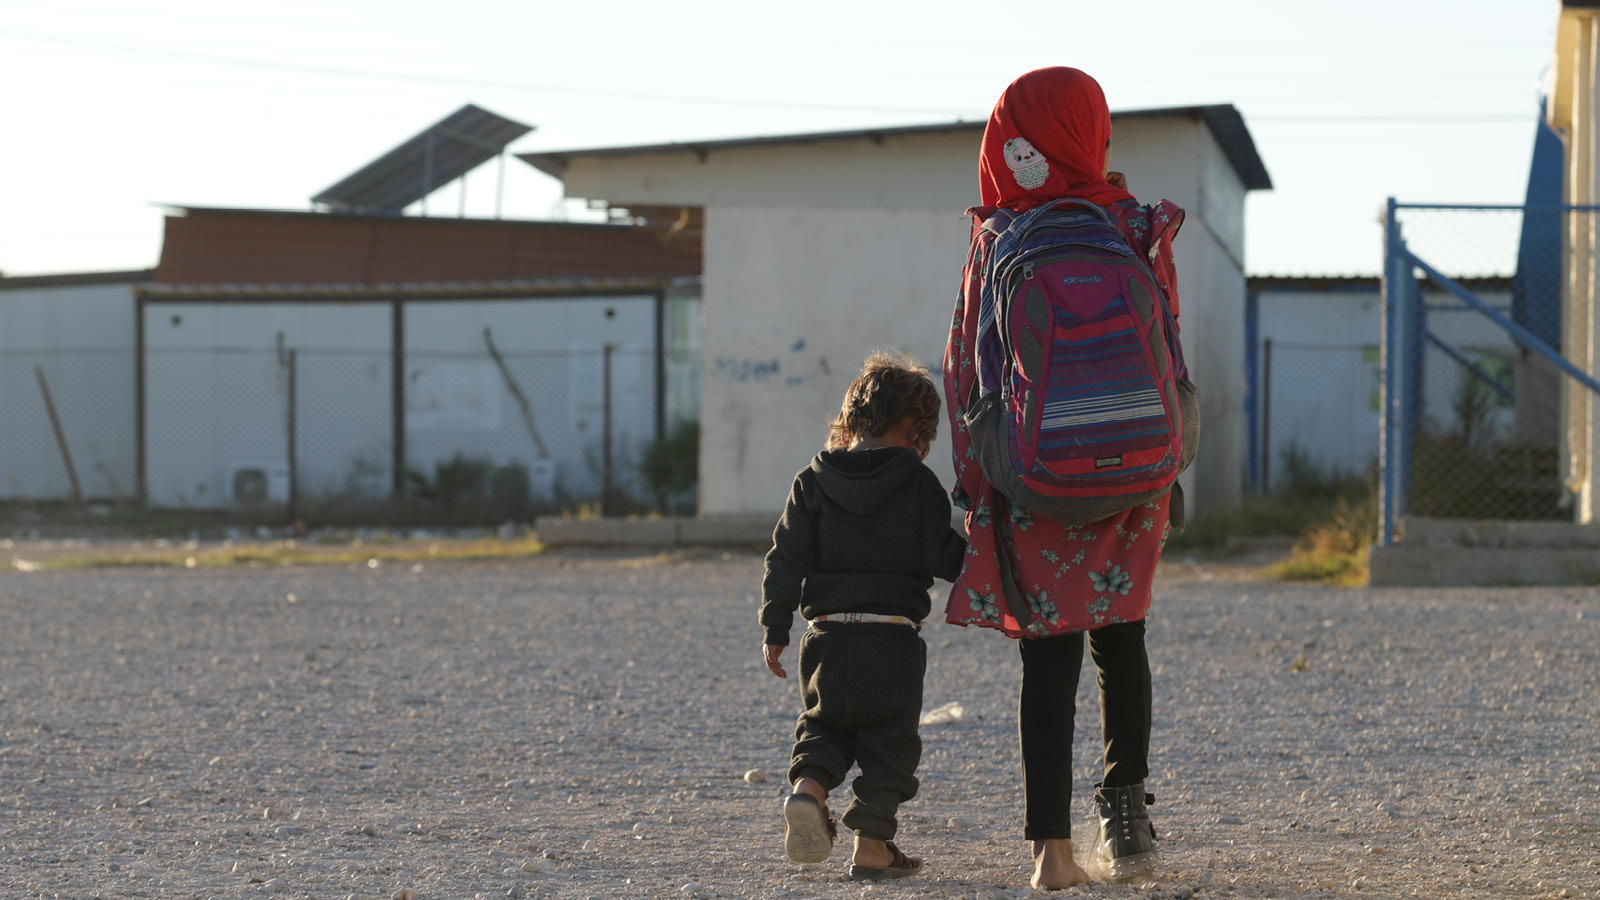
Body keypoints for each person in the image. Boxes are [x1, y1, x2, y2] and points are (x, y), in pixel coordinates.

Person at [943, 66, 1189, 889]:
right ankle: (1125, 825)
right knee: (1124, 644)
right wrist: (1169, 462)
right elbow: (1172, 354)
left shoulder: (999, 237)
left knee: (1049, 660)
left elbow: (965, 374)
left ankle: (1052, 854)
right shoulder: (1134, 224)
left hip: (1034, 475)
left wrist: (978, 484)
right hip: (1134, 471)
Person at [759, 351, 968, 882]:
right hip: (891, 640)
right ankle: (872, 847)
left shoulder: (811, 481)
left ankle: (808, 791)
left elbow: (785, 557)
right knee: (888, 742)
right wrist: (988, 561)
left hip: (825, 636)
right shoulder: (918, 485)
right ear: (912, 427)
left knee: (825, 725)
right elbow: (942, 557)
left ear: (852, 419)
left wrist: (775, 628)